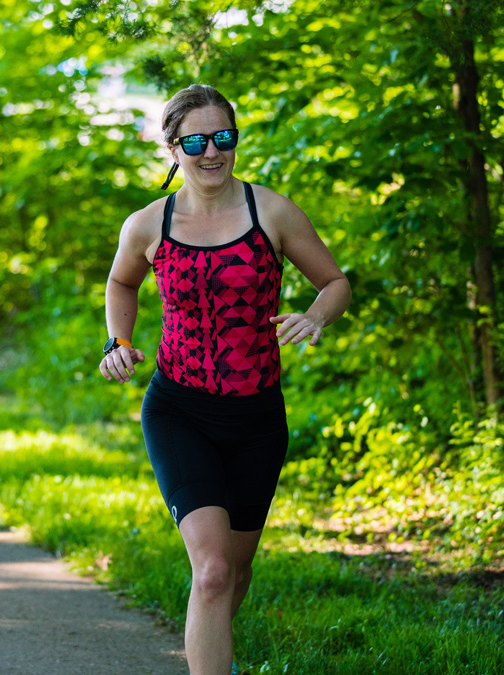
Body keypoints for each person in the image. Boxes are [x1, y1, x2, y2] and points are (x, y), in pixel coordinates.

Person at [99, 84, 351, 675]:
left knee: (234, 574)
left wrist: (314, 317)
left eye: (223, 138)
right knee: (210, 572)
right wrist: (118, 342)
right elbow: (121, 284)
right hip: (179, 410)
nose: (211, 152)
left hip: (258, 418)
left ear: (235, 140)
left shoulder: (273, 212)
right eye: (195, 140)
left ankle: (209, 641)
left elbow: (335, 283)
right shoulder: (148, 224)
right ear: (172, 146)